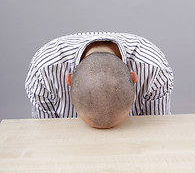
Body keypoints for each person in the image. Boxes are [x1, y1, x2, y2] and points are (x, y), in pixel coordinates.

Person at [25, 32, 174, 128]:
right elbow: (47, 138)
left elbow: (156, 134)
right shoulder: (43, 72)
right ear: (69, 81)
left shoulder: (154, 69)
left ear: (134, 78)